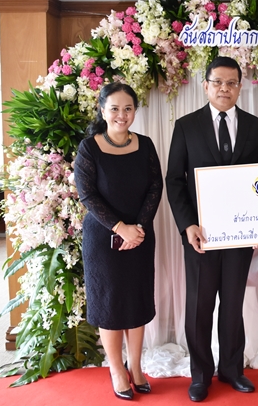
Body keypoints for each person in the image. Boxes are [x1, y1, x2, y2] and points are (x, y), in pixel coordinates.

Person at [166, 56, 258, 402]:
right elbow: (174, 180)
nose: (224, 88)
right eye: (217, 82)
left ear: (240, 87)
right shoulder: (186, 126)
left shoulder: (257, 128)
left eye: (231, 83)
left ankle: (231, 369)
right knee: (199, 307)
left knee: (233, 304)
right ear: (206, 85)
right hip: (201, 236)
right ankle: (200, 375)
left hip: (240, 236)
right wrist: (187, 225)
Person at [74, 82, 163, 401]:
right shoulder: (89, 148)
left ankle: (135, 367)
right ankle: (116, 370)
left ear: (135, 111)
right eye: (114, 108)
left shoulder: (146, 144)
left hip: (140, 236)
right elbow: (87, 194)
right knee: (109, 304)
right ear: (102, 110)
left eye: (128, 108)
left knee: (137, 301)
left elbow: (155, 186)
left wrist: (138, 228)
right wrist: (120, 227)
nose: (121, 115)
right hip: (103, 239)